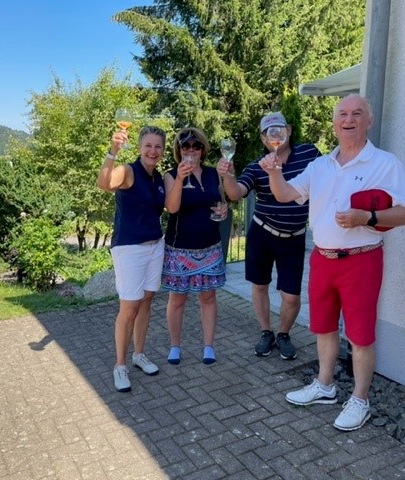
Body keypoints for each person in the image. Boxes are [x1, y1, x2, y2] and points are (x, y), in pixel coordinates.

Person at [261, 94, 405, 431]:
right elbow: (285, 194)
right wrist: (274, 172)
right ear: (333, 123)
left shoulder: (385, 163)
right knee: (324, 327)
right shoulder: (320, 165)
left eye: (357, 114)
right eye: (343, 114)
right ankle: (325, 385)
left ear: (368, 121)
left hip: (362, 260)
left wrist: (367, 216)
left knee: (360, 335)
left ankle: (360, 400)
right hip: (322, 259)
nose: (349, 119)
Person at [217, 112, 321, 360]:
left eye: (278, 130)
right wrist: (227, 175)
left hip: (294, 237)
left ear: (289, 130)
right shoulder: (257, 166)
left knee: (291, 296)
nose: (274, 136)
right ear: (263, 139)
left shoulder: (310, 154)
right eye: (268, 133)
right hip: (262, 234)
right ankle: (266, 332)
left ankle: (283, 334)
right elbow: (236, 193)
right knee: (260, 285)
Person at [96, 125, 167, 393]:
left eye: (158, 146)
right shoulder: (127, 171)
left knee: (147, 300)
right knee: (129, 308)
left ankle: (139, 355)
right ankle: (120, 365)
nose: (153, 151)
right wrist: (113, 151)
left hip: (155, 246)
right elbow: (104, 183)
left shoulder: (158, 178)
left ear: (163, 150)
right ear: (139, 147)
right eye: (148, 145)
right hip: (129, 249)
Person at [162, 127, 227, 365]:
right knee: (178, 299)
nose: (191, 151)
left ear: (203, 149)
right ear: (179, 150)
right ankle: (175, 346)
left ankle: (208, 346)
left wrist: (224, 209)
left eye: (196, 146)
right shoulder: (171, 175)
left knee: (208, 297)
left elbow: (220, 201)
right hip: (180, 249)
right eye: (186, 146)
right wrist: (180, 178)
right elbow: (172, 208)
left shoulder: (212, 174)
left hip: (209, 246)